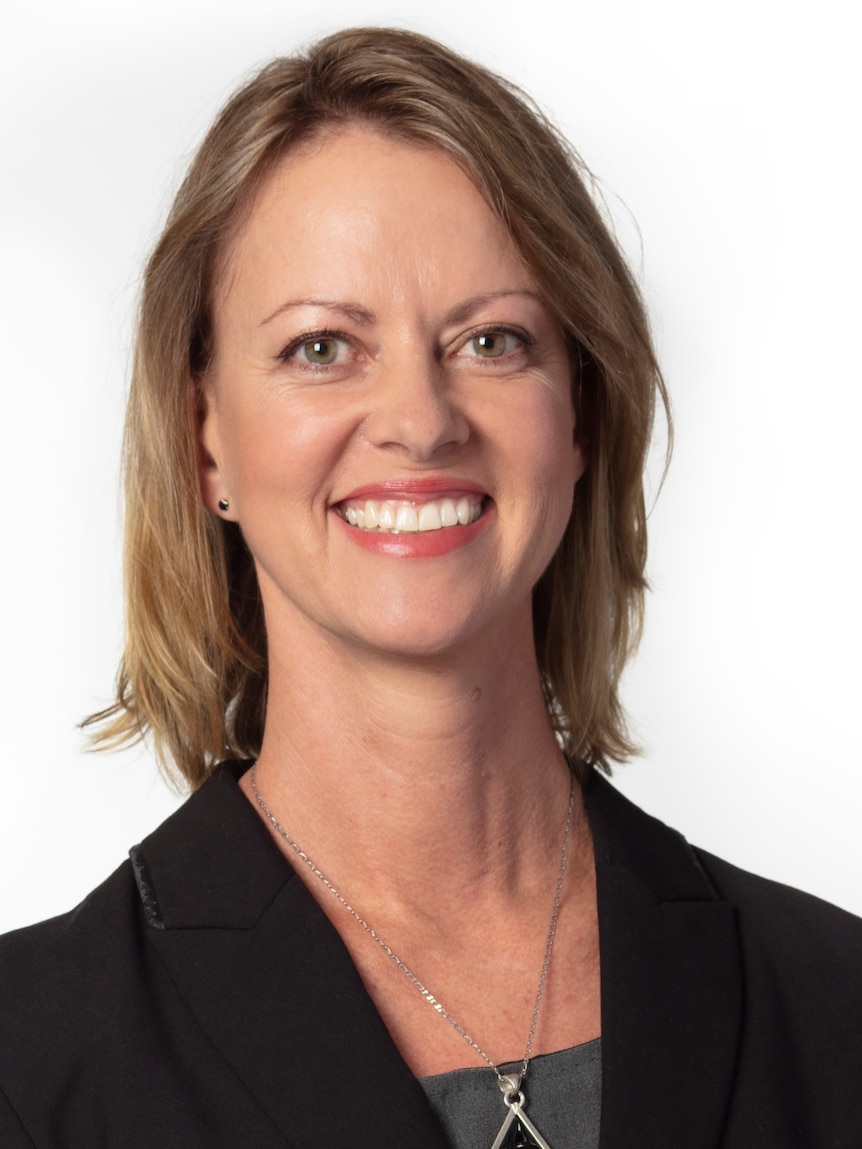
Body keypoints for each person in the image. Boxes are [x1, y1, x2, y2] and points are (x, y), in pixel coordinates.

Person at [0, 25, 859, 1149]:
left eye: (492, 341)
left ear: (580, 417)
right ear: (204, 438)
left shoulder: (833, 1007)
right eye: (321, 348)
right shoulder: (31, 1063)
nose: (420, 420)